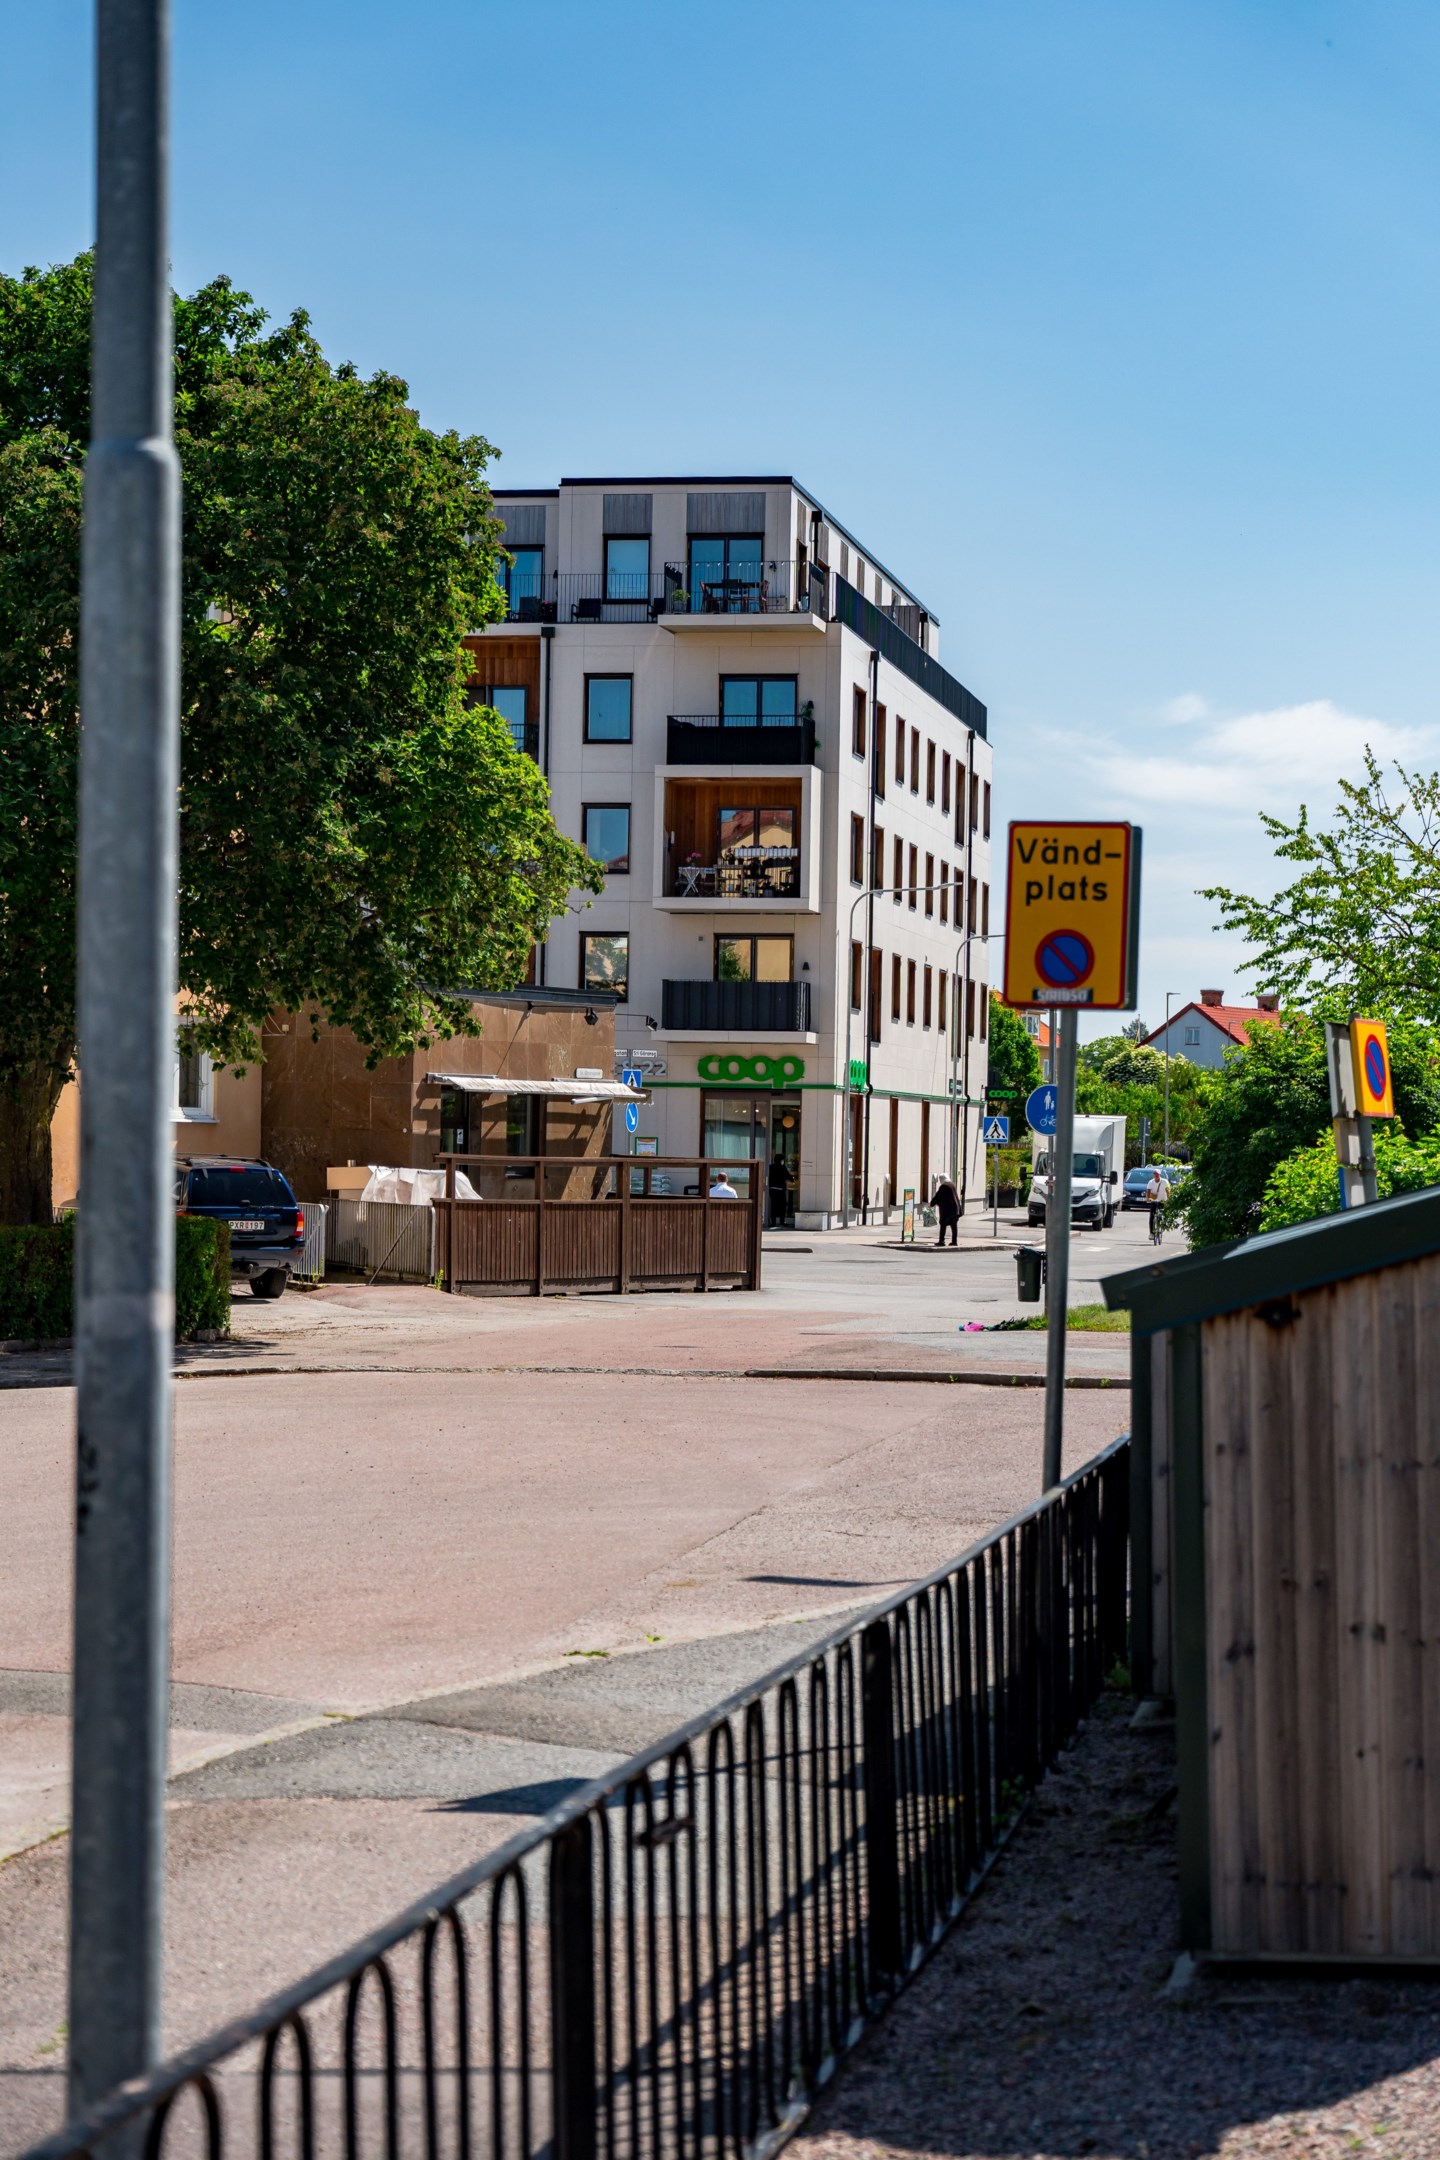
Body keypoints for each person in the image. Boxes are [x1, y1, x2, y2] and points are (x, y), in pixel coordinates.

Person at [1143, 1165, 1171, 1245]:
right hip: (1154, 1201)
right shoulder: (1151, 1182)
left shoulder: (1165, 1182)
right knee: (1152, 1216)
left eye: (1157, 1174)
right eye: (1155, 1174)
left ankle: (1162, 1226)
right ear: (1153, 1175)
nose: (1156, 1175)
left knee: (1164, 1214)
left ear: (1160, 1175)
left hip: (1163, 1200)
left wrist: (1169, 1199)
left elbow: (1168, 1191)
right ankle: (1151, 1233)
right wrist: (1148, 1198)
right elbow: (1148, 1192)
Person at [932, 1175, 961, 1247]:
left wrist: (931, 1204)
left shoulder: (944, 1186)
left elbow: (938, 1196)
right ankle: (954, 1241)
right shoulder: (952, 1185)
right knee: (954, 1225)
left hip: (948, 1210)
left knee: (943, 1224)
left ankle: (941, 1241)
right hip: (956, 1209)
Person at [767, 1150, 793, 1227]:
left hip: (772, 1189)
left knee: (773, 1206)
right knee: (782, 1206)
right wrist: (792, 1179)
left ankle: (773, 1222)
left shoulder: (770, 1167)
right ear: (781, 1160)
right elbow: (789, 1177)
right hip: (780, 1190)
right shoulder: (782, 1167)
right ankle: (782, 1221)